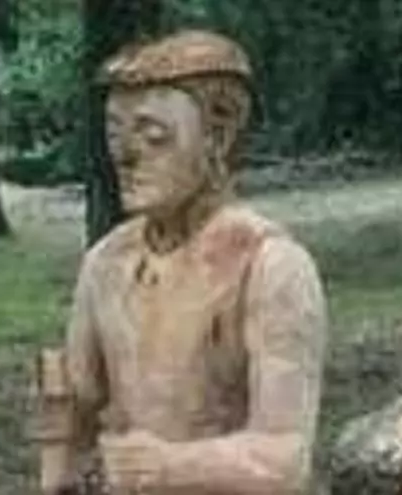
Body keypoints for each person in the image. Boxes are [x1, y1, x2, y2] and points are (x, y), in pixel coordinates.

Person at [41, 29, 329, 495]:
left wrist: (167, 466)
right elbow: (71, 416)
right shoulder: (106, 264)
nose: (125, 157)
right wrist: (60, 465)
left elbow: (286, 459)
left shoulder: (271, 267)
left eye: (153, 136)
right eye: (114, 135)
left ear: (218, 136)